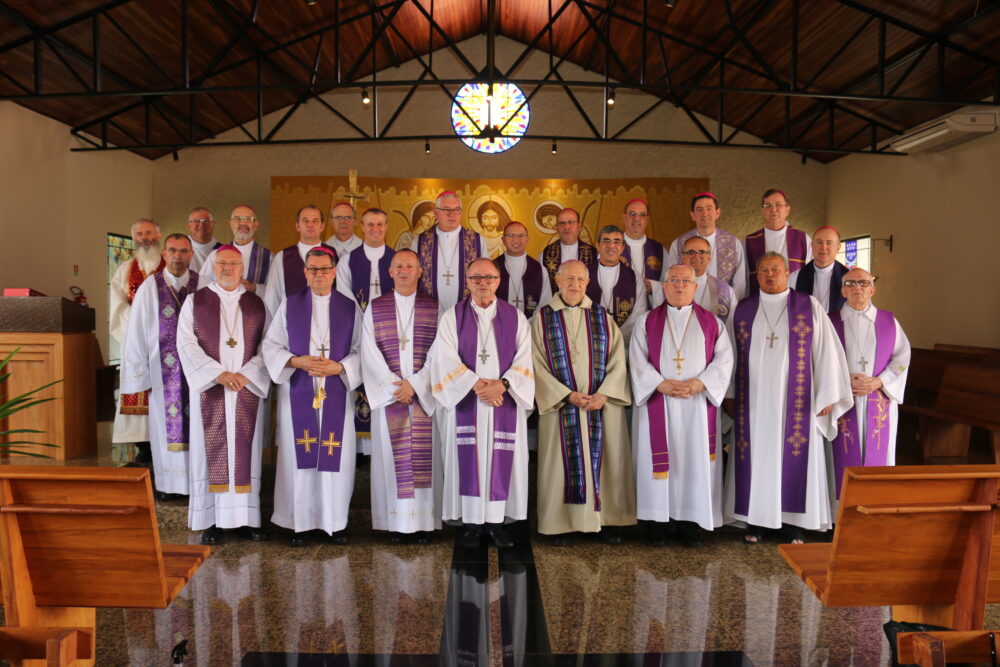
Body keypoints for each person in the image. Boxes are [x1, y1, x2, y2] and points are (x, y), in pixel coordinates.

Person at [725, 252, 852, 543]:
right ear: (756, 276)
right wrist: (730, 394)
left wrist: (827, 394)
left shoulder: (808, 306)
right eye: (764, 270)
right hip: (752, 403)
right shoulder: (743, 310)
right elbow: (728, 357)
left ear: (787, 274)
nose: (770, 275)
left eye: (776, 270)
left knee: (793, 457)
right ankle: (756, 520)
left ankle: (792, 522)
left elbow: (826, 352)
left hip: (797, 403)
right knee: (755, 457)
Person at [430, 258, 535, 549]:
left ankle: (498, 522)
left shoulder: (516, 318)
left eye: (488, 277)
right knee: (468, 459)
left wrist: (503, 385)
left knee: (502, 459)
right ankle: (471, 524)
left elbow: (525, 360)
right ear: (467, 281)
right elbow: (444, 358)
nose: (483, 283)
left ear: (498, 281)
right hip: (468, 401)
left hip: (505, 402)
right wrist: (477, 385)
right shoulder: (452, 317)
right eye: (476, 277)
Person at [262, 247, 362, 546]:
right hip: (299, 390)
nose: (319, 275)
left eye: (325, 269)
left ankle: (335, 522)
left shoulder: (349, 307)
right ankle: (300, 524)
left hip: (335, 390)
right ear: (305, 273)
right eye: (313, 270)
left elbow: (362, 350)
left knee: (336, 455)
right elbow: (271, 346)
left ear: (334, 271)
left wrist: (340, 367)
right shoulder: (290, 305)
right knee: (298, 456)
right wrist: (295, 362)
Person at [629, 264, 734, 546]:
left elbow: (724, 361)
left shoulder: (713, 323)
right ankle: (656, 525)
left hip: (696, 406)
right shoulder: (647, 321)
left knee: (692, 461)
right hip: (658, 401)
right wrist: (659, 384)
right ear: (664, 286)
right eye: (673, 280)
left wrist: (698, 384)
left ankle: (690, 525)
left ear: (694, 286)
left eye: (685, 281)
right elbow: (636, 359)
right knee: (658, 461)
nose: (679, 285)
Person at [532, 260, 634, 545]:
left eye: (580, 279)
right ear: (557, 280)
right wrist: (565, 395)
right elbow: (535, 364)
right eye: (569, 279)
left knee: (608, 460)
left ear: (588, 283)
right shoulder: (542, 318)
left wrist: (605, 393)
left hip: (600, 406)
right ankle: (560, 525)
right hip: (562, 406)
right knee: (560, 466)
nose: (574, 284)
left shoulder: (602, 315)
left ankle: (607, 520)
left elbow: (618, 359)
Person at [177, 245, 271, 545]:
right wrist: (217, 373)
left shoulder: (257, 304)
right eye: (222, 264)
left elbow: (267, 346)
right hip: (212, 388)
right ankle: (212, 520)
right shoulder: (196, 301)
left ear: (242, 268)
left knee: (247, 452)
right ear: (213, 267)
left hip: (246, 388)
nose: (228, 268)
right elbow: (186, 343)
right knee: (211, 453)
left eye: (234, 264)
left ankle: (248, 519)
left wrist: (248, 373)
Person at [362, 249, 441, 543]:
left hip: (421, 397)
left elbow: (440, 353)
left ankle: (423, 523)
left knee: (425, 461)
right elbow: (368, 353)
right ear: (391, 272)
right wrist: (395, 387)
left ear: (420, 271)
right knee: (389, 460)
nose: (405, 270)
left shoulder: (435, 307)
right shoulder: (375, 307)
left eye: (411, 266)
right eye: (399, 266)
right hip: (391, 396)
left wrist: (417, 385)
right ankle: (395, 524)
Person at [120, 233, 198, 500]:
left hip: (198, 372)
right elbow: (136, 334)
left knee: (197, 426)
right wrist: (137, 376)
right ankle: (169, 485)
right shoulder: (150, 287)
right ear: (165, 254)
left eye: (184, 251)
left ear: (191, 254)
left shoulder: (203, 284)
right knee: (165, 428)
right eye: (173, 251)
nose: (178, 256)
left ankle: (196, 483)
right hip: (161, 373)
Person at [826, 268, 910, 511]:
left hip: (878, 398)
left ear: (872, 289)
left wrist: (880, 381)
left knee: (878, 454)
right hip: (843, 399)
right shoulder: (830, 322)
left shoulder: (889, 321)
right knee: (840, 454)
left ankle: (876, 508)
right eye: (850, 283)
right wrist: (842, 380)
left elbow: (902, 358)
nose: (857, 288)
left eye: (863, 283)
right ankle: (837, 515)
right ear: (842, 290)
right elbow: (818, 360)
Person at [336, 207, 397, 456]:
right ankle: (361, 450)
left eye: (380, 224)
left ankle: (383, 442)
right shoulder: (349, 259)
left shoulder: (396, 259)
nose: (375, 229)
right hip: (359, 331)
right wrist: (365, 323)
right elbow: (343, 294)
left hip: (390, 334)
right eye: (370, 224)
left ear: (386, 227)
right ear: (362, 227)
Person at [110, 218, 165, 463]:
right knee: (137, 393)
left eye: (149, 233)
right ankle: (143, 451)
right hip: (135, 342)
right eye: (140, 234)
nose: (145, 238)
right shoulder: (125, 269)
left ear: (159, 235)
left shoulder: (172, 264)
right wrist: (137, 326)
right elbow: (117, 306)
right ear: (134, 239)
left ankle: (165, 450)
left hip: (166, 344)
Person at [411, 191, 488, 311]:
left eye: (457, 209)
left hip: (468, 312)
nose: (452, 214)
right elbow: (412, 276)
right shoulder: (420, 241)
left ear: (461, 212)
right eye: (446, 209)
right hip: (428, 312)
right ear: (436, 212)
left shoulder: (477, 241)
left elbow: (486, 277)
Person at [666, 192, 748, 300]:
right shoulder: (679, 244)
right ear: (693, 215)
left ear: (717, 213)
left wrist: (730, 304)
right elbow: (671, 277)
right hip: (689, 304)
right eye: (699, 209)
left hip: (723, 306)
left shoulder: (733, 243)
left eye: (709, 209)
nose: (704, 214)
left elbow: (740, 280)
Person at [264, 204, 337, 316]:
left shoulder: (334, 256)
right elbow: (272, 297)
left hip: (327, 319)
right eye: (305, 221)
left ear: (322, 226)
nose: (310, 225)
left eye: (315, 221)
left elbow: (341, 294)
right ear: (297, 226)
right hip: (292, 322)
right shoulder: (282, 257)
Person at [586, 225, 648, 342]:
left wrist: (617, 337)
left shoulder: (634, 277)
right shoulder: (583, 274)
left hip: (622, 342)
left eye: (617, 241)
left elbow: (639, 313)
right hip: (588, 341)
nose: (611, 246)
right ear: (598, 245)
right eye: (606, 241)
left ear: (623, 247)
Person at [745, 189, 812, 294]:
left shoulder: (803, 239)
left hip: (793, 301)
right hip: (760, 301)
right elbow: (743, 278)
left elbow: (810, 274)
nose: (773, 209)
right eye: (768, 205)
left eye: (778, 205)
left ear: (787, 210)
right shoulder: (749, 242)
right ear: (762, 211)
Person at [199, 205, 274, 297]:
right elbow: (201, 286)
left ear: (256, 225)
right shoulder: (215, 255)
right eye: (237, 219)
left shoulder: (269, 257)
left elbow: (276, 290)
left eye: (248, 219)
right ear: (230, 224)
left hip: (254, 309)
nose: (243, 223)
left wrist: (254, 287)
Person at [494, 221, 551, 319]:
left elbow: (545, 302)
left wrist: (530, 323)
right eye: (511, 235)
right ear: (503, 240)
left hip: (530, 326)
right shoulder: (493, 267)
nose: (516, 240)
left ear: (527, 239)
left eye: (521, 235)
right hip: (498, 324)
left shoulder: (539, 269)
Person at [620, 199, 667, 308]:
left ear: (647, 219)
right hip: (620, 312)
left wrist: (653, 287)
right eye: (632, 214)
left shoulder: (659, 250)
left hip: (649, 312)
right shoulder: (612, 247)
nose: (637, 218)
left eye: (642, 214)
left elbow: (670, 284)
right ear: (624, 217)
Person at [790, 226, 848, 313]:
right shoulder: (795, 277)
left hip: (837, 326)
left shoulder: (849, 278)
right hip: (806, 326)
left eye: (829, 243)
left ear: (838, 248)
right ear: (812, 246)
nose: (823, 248)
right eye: (819, 242)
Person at [680, 236, 735, 326]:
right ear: (683, 257)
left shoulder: (726, 291)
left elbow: (731, 326)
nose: (697, 256)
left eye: (702, 252)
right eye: (691, 252)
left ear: (709, 257)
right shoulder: (671, 287)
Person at [539, 207, 598, 291]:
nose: (566, 226)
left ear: (579, 226)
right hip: (554, 302)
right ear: (557, 228)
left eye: (571, 222)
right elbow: (541, 287)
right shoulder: (546, 254)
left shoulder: (593, 253)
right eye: (562, 223)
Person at [186, 206, 221, 273]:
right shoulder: (178, 249)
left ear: (213, 224)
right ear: (189, 226)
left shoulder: (223, 250)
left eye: (206, 220)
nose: (201, 224)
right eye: (196, 221)